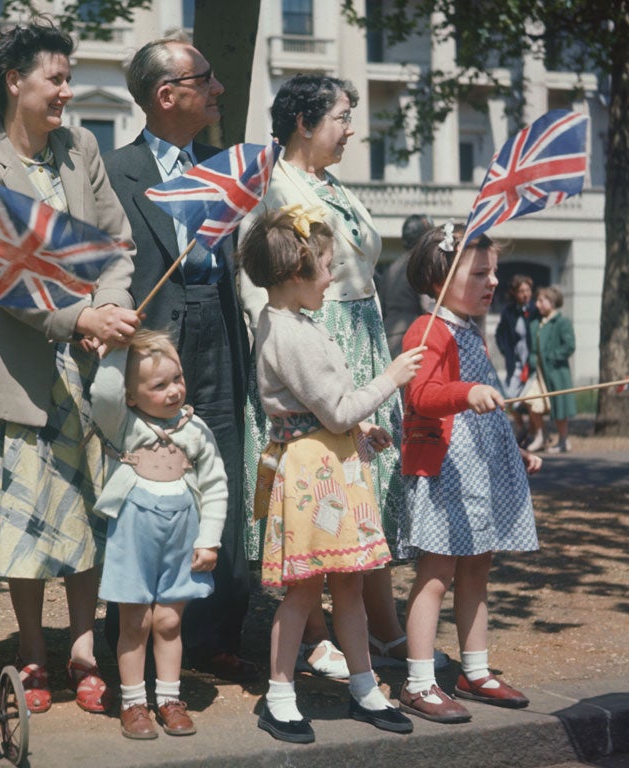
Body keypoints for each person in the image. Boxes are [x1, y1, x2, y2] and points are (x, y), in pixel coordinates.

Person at [0, 20, 139, 716]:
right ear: (13, 82)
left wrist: (110, 309)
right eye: (55, 78)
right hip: (20, 376)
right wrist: (77, 319)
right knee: (26, 525)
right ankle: (31, 647)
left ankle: (83, 647)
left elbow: (116, 243)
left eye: (67, 77)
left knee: (88, 517)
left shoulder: (82, 147)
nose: (66, 90)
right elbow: (1, 278)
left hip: (93, 377)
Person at [239, 73, 415, 672]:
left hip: (361, 333)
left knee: (367, 484)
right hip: (315, 340)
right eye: (341, 117)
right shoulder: (273, 186)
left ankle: (380, 624)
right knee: (326, 486)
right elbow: (255, 277)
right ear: (303, 124)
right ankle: (317, 631)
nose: (350, 129)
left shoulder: (330, 183)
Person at [104, 31, 254, 682]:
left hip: (219, 330)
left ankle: (219, 631)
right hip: (155, 348)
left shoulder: (224, 170)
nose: (219, 89)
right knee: (153, 480)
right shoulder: (114, 174)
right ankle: (138, 645)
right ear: (168, 95)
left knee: (222, 467)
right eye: (206, 79)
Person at [240, 207, 420, 743]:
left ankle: (363, 687)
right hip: (312, 473)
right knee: (303, 592)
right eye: (325, 266)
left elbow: (328, 408)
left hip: (329, 463)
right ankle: (279, 696)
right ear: (295, 275)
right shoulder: (289, 334)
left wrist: (361, 430)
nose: (332, 276)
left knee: (348, 583)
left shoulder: (293, 322)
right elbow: (335, 409)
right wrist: (389, 380)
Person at [397, 223, 542, 724]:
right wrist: (465, 394)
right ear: (440, 278)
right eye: (481, 272)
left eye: (494, 271)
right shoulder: (428, 328)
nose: (494, 281)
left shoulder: (468, 329)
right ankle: (418, 682)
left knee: (478, 567)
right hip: (447, 475)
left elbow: (488, 403)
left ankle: (474, 670)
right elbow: (420, 395)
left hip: (479, 472)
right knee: (436, 574)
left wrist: (513, 448)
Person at [91, 329, 227, 740]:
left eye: (177, 379)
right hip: (134, 533)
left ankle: (169, 697)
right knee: (136, 620)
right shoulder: (122, 422)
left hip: (182, 534)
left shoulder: (195, 428)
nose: (173, 391)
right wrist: (116, 350)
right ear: (132, 396)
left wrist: (209, 539)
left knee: (168, 621)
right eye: (159, 385)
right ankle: (133, 702)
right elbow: (104, 392)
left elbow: (216, 484)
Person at [495, 275, 541, 447]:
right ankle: (522, 428)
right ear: (514, 293)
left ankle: (534, 432)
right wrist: (504, 350)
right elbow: (500, 333)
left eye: (528, 291)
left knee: (530, 398)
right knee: (510, 396)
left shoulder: (536, 309)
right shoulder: (508, 311)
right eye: (521, 291)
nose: (525, 294)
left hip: (532, 362)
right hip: (515, 362)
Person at [381, 214, 435, 357]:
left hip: (389, 336)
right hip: (412, 337)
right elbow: (427, 305)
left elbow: (382, 307)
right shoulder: (420, 264)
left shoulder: (392, 267)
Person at [531, 285, 577, 453]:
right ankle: (546, 436)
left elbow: (569, 345)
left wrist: (552, 356)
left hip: (557, 373)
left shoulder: (562, 322)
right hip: (543, 373)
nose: (537, 304)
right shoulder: (540, 322)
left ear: (551, 302)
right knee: (542, 404)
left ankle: (564, 440)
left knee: (560, 406)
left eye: (541, 300)